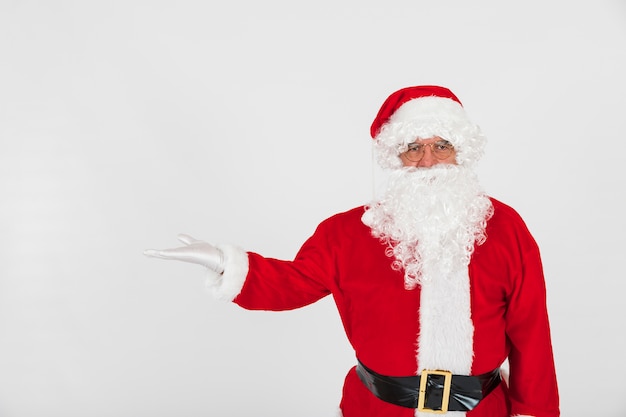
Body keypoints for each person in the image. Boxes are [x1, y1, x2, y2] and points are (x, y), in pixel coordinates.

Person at [144, 85, 560, 417]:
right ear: (395, 159)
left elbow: (530, 330)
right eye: (413, 148)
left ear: (460, 152)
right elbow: (290, 284)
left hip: (483, 411)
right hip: (376, 410)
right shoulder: (347, 232)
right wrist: (224, 262)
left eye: (441, 146)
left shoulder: (505, 227)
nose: (428, 161)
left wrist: (535, 411)